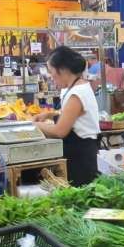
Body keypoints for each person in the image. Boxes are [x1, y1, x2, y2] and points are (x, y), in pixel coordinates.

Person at [34, 46, 101, 186]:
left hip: (80, 158)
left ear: (63, 70)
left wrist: (34, 125)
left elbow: (60, 131)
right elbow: (75, 117)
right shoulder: (75, 88)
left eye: (52, 72)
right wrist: (51, 115)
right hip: (79, 153)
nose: (51, 77)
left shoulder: (77, 93)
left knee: (80, 194)